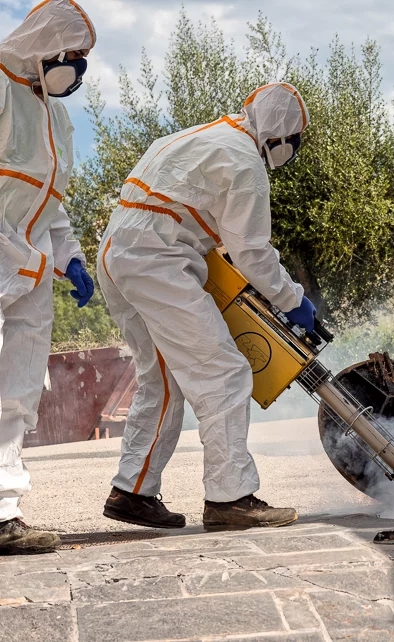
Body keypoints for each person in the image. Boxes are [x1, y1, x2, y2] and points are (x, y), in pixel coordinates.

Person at [98, 83, 316, 531]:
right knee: (224, 372)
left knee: (161, 380)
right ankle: (230, 498)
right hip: (157, 260)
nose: (291, 150)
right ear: (280, 134)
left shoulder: (196, 136)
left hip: (118, 252)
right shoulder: (245, 162)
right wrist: (293, 301)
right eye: (294, 141)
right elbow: (252, 251)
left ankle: (132, 491)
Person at [0, 0, 97, 555]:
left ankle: (3, 512)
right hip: (7, 256)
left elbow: (50, 205)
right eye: (75, 57)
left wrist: (71, 257)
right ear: (46, 46)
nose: (79, 69)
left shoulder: (56, 116)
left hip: (29, 269)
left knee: (15, 394)